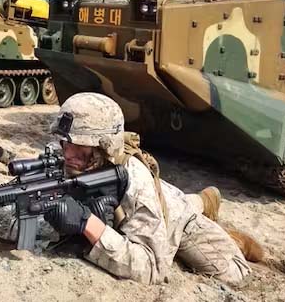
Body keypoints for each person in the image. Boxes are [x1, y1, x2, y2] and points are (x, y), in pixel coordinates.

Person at [33, 93, 261, 286]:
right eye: (66, 142)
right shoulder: (69, 156)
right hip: (160, 196)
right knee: (170, 200)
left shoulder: (134, 181)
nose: (68, 154)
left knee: (234, 276)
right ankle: (203, 200)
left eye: (79, 145)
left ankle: (227, 233)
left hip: (177, 220)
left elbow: (152, 267)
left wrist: (88, 224)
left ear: (103, 146)